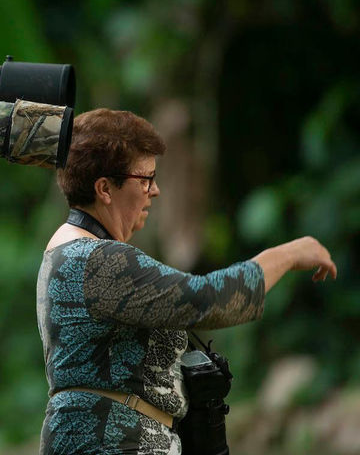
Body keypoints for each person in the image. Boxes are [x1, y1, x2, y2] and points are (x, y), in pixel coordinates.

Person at [36, 108, 337, 454]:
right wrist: (288, 254)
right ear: (105, 188)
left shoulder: (67, 253)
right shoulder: (97, 260)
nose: (156, 190)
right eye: (145, 179)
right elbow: (207, 301)